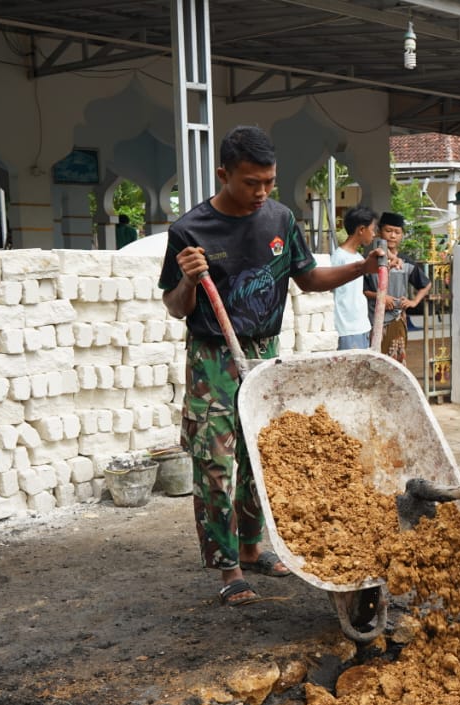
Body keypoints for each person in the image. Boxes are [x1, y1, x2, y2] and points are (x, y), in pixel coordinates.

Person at [159, 125, 385, 607]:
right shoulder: (190, 230)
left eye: (269, 182)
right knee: (217, 465)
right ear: (223, 174)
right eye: (250, 182)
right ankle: (228, 568)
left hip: (266, 353)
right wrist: (190, 282)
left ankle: (253, 546)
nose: (261, 192)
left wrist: (360, 269)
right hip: (214, 357)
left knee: (262, 458)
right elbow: (176, 307)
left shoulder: (280, 219)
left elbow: (309, 278)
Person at [363, 211, 430, 362]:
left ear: (401, 235)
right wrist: (381, 297)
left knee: (397, 362)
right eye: (388, 231)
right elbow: (363, 290)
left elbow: (426, 284)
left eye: (397, 232)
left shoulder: (406, 262)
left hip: (398, 320)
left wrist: (414, 302)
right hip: (373, 319)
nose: (392, 236)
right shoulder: (370, 260)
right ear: (379, 232)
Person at [331, 206, 377, 350]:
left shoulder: (357, 257)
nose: (374, 234)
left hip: (361, 326)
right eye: (372, 229)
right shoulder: (339, 258)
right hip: (346, 328)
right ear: (362, 230)